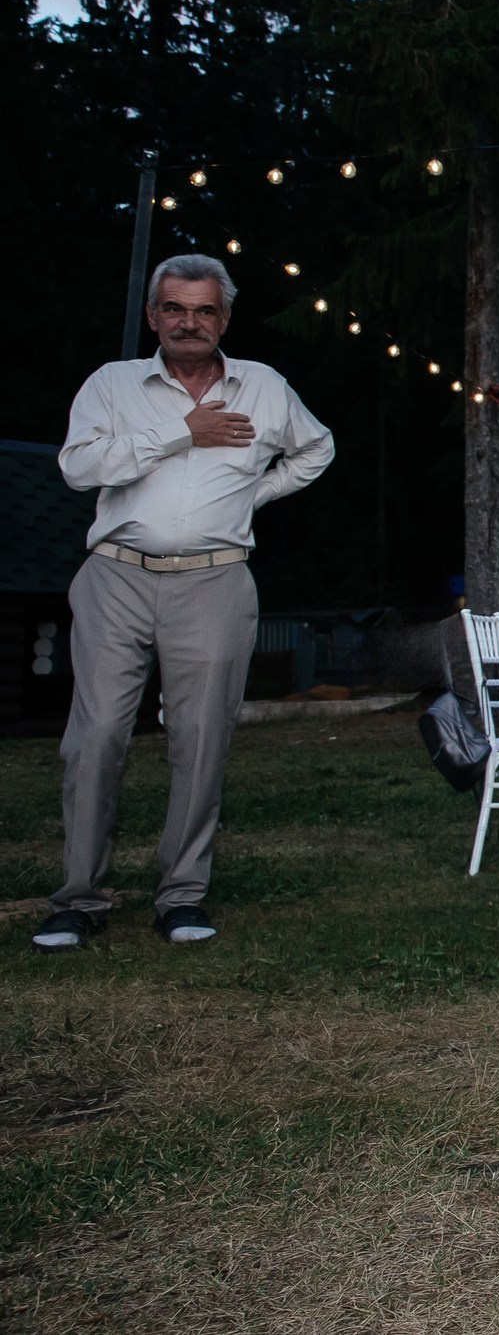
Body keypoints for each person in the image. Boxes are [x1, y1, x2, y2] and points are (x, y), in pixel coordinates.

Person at [33, 254, 334, 953]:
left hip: (215, 580)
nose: (188, 322)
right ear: (153, 316)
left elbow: (316, 449)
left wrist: (251, 495)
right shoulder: (113, 384)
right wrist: (182, 433)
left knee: (200, 739)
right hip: (117, 575)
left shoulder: (263, 385)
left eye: (204, 310)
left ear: (223, 319)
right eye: (174, 308)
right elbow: (78, 467)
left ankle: (182, 895)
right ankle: (78, 899)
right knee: (96, 735)